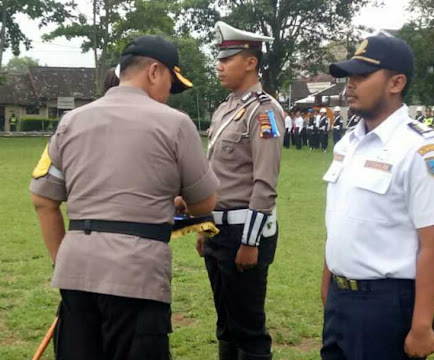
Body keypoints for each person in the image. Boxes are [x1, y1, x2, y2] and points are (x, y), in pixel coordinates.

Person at [29, 35, 218, 360]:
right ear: (155, 71)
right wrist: (176, 200)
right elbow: (205, 204)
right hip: (138, 275)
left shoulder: (70, 121)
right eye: (170, 85)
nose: (168, 98)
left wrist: (63, 259)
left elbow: (43, 200)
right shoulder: (176, 124)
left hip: (77, 273)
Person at [321, 35, 434, 360]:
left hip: (386, 305)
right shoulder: (348, 143)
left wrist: (422, 324)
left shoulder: (421, 149)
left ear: (396, 82)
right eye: (349, 77)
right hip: (342, 299)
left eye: (362, 76)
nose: (350, 85)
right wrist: (329, 281)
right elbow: (341, 220)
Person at [201, 21, 285, 360]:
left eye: (228, 58)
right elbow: (215, 173)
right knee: (226, 324)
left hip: (243, 232)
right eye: (219, 58)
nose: (219, 66)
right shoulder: (226, 108)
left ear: (250, 62)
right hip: (217, 229)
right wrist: (203, 223)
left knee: (248, 330)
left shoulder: (264, 111)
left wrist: (250, 242)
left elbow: (264, 184)